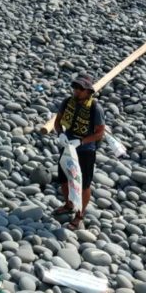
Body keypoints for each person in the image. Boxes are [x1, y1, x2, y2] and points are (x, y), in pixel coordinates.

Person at [49, 74, 106, 229]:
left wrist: (81, 141)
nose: (76, 91)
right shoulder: (67, 102)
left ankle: (80, 214)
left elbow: (100, 132)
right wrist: (60, 133)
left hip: (85, 150)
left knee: (84, 183)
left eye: (80, 88)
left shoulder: (95, 108)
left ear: (88, 91)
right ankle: (68, 204)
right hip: (67, 146)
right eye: (75, 87)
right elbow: (58, 121)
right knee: (63, 177)